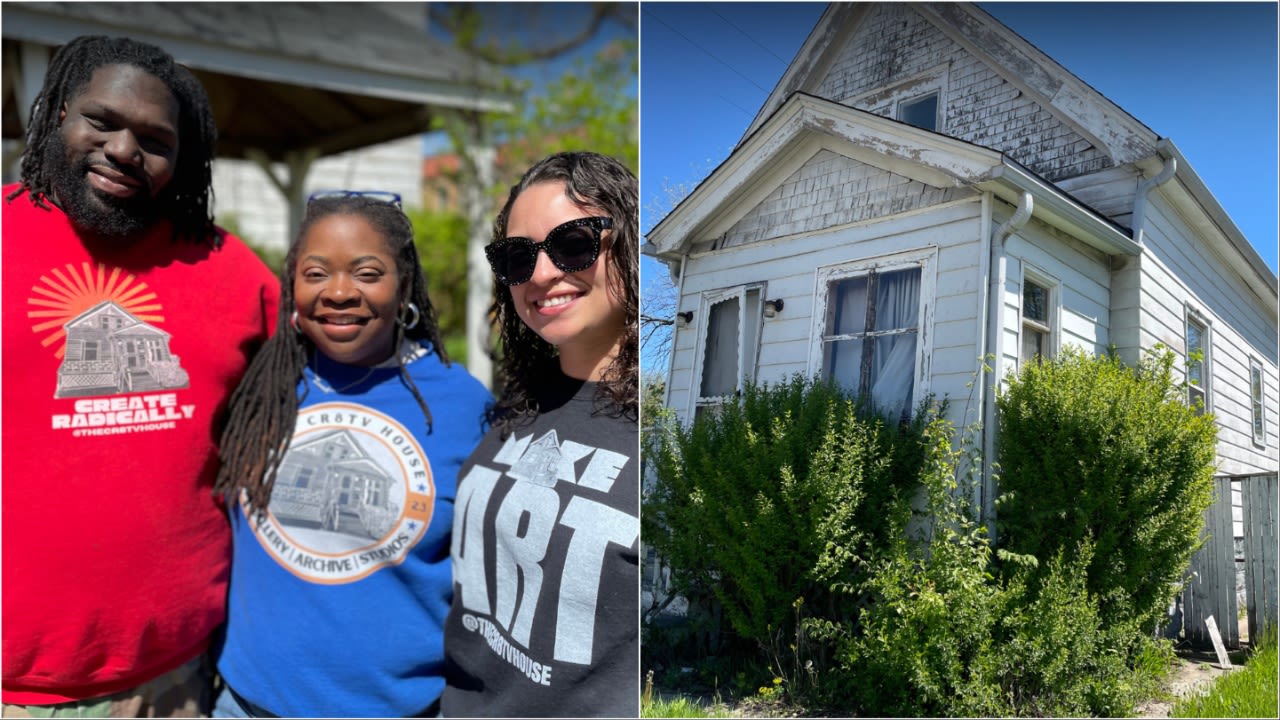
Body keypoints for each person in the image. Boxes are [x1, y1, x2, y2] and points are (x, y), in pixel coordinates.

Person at [1, 36, 280, 717]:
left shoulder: (234, 273)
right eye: (103, 121)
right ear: (60, 111)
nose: (126, 150)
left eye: (155, 139)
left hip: (173, 680)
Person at [209, 191, 492, 718]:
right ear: (293, 286)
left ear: (403, 285)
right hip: (244, 707)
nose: (339, 293)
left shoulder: (460, 403)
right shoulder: (259, 385)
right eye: (316, 274)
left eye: (366, 273)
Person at [442, 152, 640, 718]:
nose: (543, 273)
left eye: (574, 244)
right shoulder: (516, 404)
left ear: (623, 242)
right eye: (517, 256)